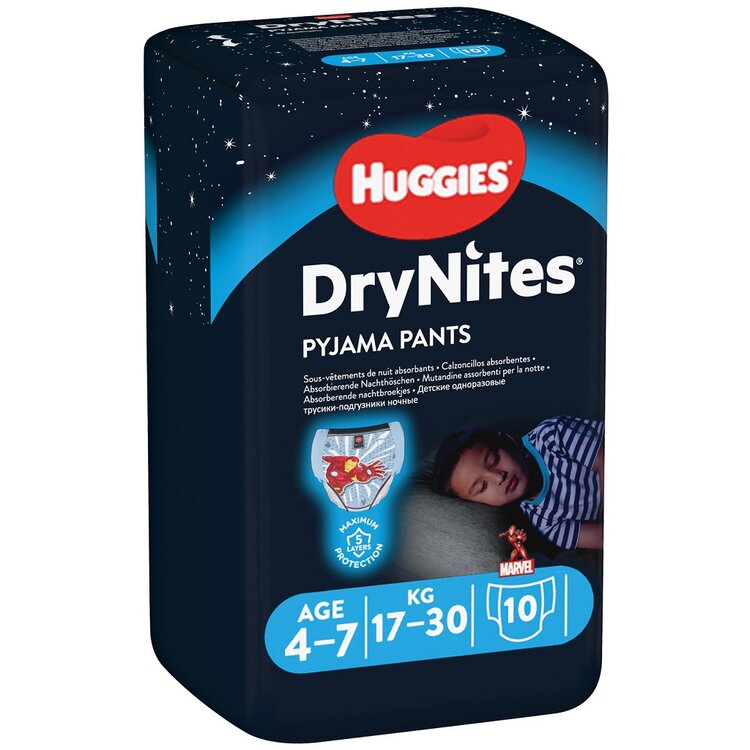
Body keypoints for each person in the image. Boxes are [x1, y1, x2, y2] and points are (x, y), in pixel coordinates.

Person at [432, 416, 604, 550]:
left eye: (494, 460)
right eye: (482, 487)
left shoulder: (550, 436)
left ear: (508, 441)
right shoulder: (544, 523)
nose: (499, 477)